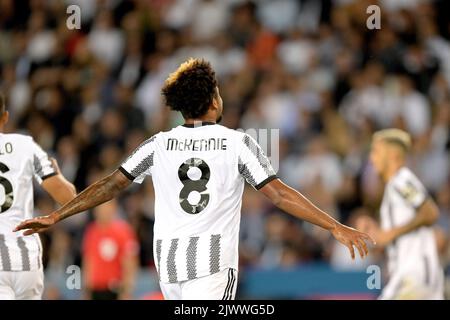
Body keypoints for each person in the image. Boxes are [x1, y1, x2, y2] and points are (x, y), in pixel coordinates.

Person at [15, 58, 373, 300]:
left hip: (169, 267)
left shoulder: (158, 144)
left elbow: (111, 184)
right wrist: (333, 226)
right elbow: (278, 194)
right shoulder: (236, 142)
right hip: (213, 266)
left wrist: (58, 215)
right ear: (213, 101)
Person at [0, 92, 76, 299]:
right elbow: (68, 198)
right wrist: (60, 176)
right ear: (5, 117)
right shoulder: (25, 146)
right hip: (25, 255)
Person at [359, 128, 444, 299]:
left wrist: (389, 234)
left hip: (414, 274)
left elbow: (430, 212)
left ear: (392, 155)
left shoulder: (402, 180)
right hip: (410, 275)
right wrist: (376, 230)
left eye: (376, 151)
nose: (371, 158)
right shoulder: (394, 187)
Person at [82, 199, 139, 300]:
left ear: (114, 208)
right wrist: (86, 290)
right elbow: (88, 262)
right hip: (96, 289)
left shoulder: (123, 230)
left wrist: (126, 290)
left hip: (115, 289)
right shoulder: (91, 231)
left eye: (107, 206)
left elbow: (130, 263)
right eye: (100, 207)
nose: (103, 210)